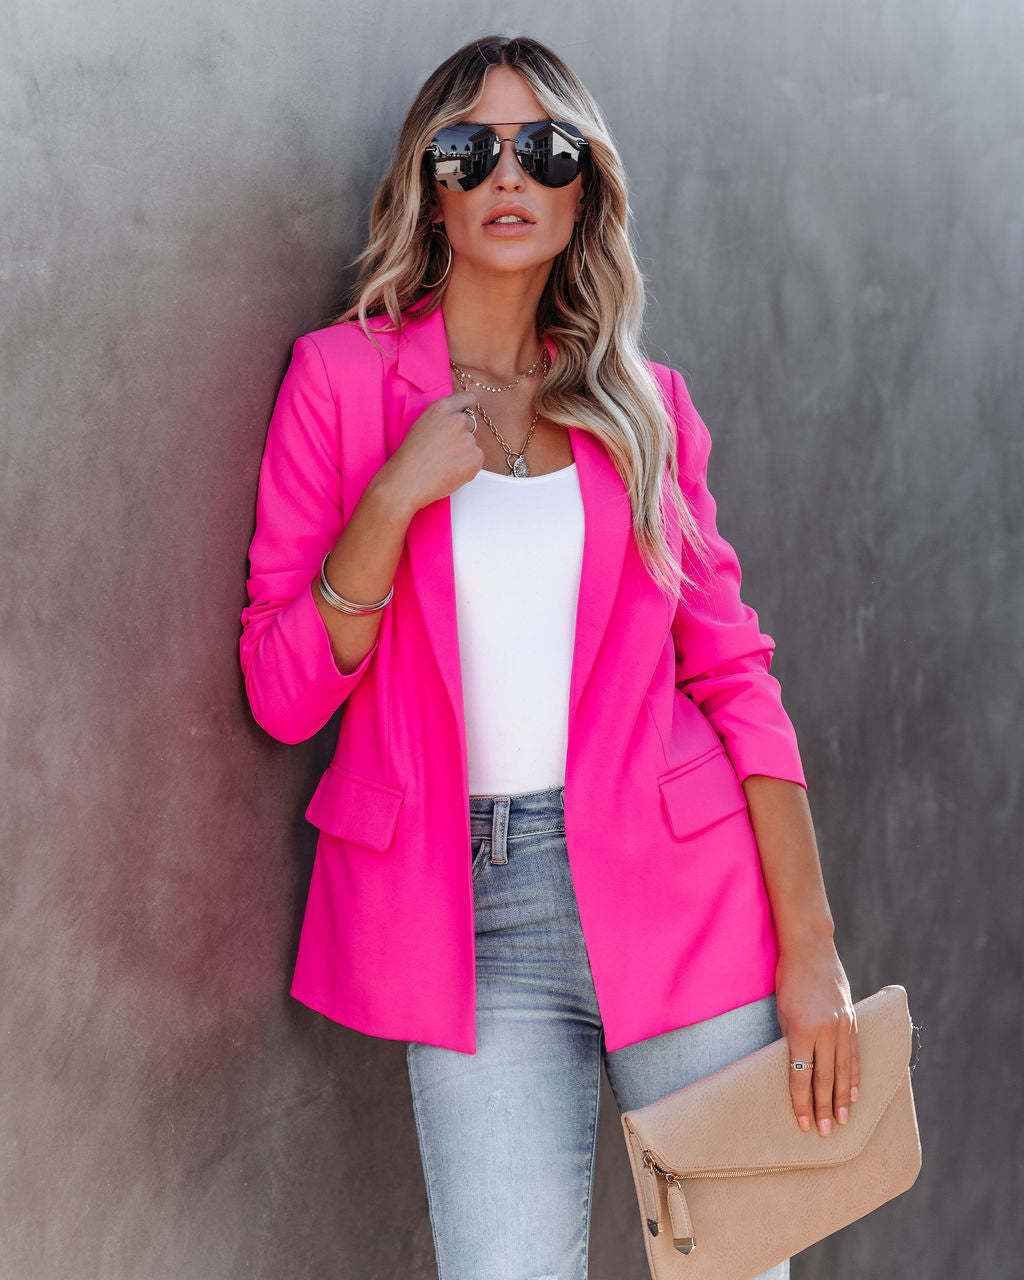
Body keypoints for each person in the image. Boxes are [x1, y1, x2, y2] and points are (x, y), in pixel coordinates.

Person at [239, 34, 859, 1280]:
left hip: (681, 895)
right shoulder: (340, 381)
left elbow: (735, 677)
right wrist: (392, 497)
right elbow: (283, 689)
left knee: (738, 1270)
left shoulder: (646, 408)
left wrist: (811, 949)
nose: (508, 173)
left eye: (546, 147)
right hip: (468, 919)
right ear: (431, 190)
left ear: (584, 190)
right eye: (469, 150)